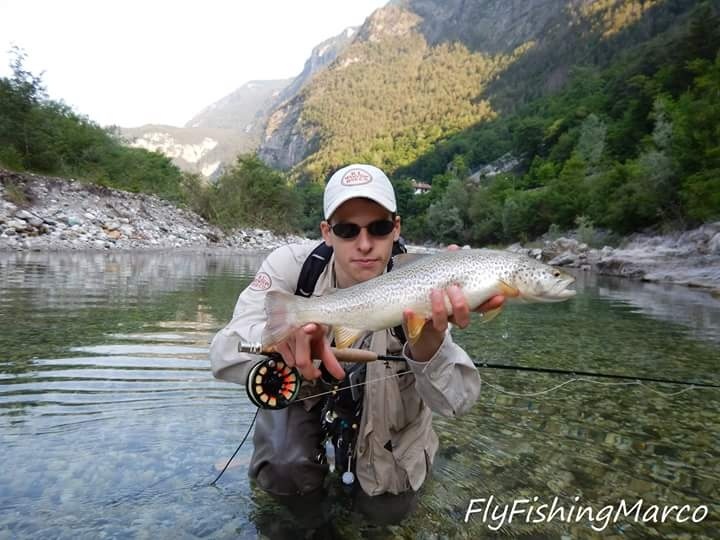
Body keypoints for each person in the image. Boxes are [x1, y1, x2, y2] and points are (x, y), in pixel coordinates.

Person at [209, 163, 504, 525]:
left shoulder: (425, 281)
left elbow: (456, 403)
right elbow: (221, 354)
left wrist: (428, 347)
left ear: (396, 229)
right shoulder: (293, 267)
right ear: (326, 232)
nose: (364, 244)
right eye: (347, 230)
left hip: (388, 418)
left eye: (378, 228)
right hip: (307, 396)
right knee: (283, 481)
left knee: (386, 509)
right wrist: (279, 343)